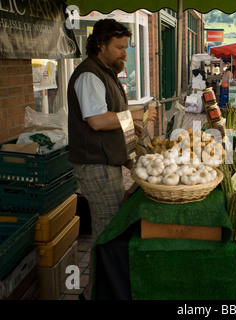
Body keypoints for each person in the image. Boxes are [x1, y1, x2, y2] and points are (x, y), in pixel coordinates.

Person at [67, 19, 157, 300]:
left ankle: (100, 289)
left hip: (107, 164)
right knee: (106, 231)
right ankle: (96, 293)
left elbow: (113, 115)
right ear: (100, 45)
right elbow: (96, 120)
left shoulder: (105, 72)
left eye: (126, 48)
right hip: (96, 167)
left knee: (109, 227)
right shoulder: (89, 75)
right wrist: (136, 115)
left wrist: (134, 127)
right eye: (119, 47)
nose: (124, 53)